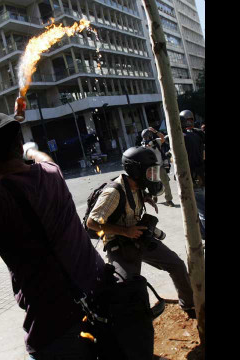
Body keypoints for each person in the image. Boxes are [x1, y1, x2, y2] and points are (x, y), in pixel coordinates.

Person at [0, 113, 153, 359]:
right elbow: (40, 166)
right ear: (19, 146)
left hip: (55, 331)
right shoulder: (53, 173)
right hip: (102, 301)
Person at [86, 146, 196, 318]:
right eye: (150, 172)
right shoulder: (113, 192)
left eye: (154, 172)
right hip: (120, 246)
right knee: (127, 290)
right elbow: (91, 222)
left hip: (139, 237)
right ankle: (132, 330)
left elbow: (134, 197)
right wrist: (125, 231)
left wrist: (145, 197)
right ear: (136, 171)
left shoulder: (136, 185)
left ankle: (190, 306)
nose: (153, 176)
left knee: (176, 265)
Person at [179, 110, 205, 240]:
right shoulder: (198, 134)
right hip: (201, 174)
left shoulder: (181, 138)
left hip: (193, 177)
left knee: (201, 209)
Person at [142, 128, 174, 207]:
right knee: (153, 184)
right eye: (144, 137)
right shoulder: (143, 144)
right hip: (152, 167)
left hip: (160, 165)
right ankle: (154, 196)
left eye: (147, 137)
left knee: (165, 182)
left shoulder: (156, 141)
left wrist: (155, 131)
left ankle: (169, 200)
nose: (146, 138)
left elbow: (163, 137)